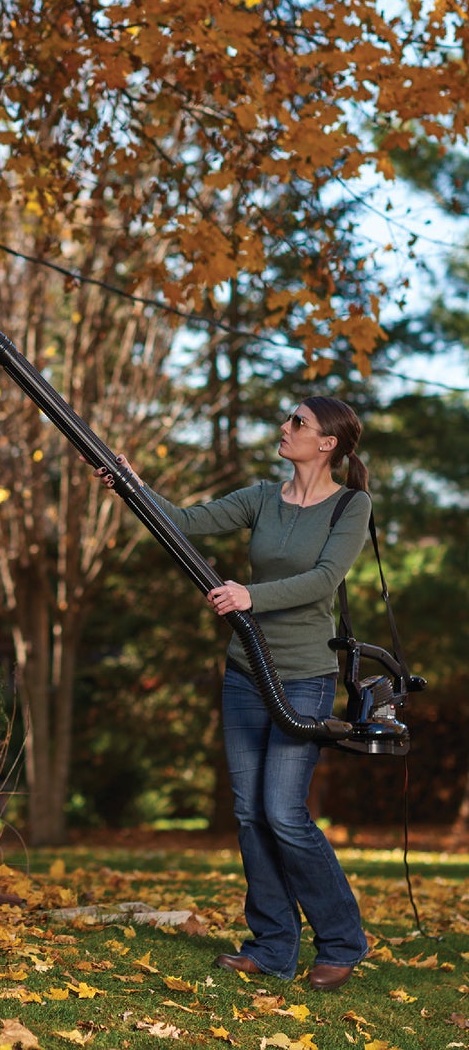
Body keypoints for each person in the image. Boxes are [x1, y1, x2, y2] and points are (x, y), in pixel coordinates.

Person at [96, 396, 370, 991]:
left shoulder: (352, 505)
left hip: (302, 676)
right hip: (246, 671)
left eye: (298, 422)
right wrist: (131, 486)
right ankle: (272, 947)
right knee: (250, 813)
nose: (285, 427)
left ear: (327, 443)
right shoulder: (261, 497)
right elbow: (185, 522)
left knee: (284, 813)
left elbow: (325, 578)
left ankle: (343, 942)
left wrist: (250, 596)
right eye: (288, 418)